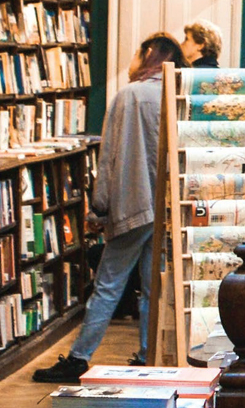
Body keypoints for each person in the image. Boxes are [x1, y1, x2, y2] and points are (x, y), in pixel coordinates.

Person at [34, 33, 185, 383]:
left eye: (136, 52)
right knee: (153, 287)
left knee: (108, 284)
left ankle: (78, 358)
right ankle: (148, 356)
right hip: (165, 210)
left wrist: (98, 210)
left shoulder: (128, 96)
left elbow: (110, 158)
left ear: (150, 56)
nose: (131, 60)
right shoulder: (177, 94)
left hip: (133, 205)